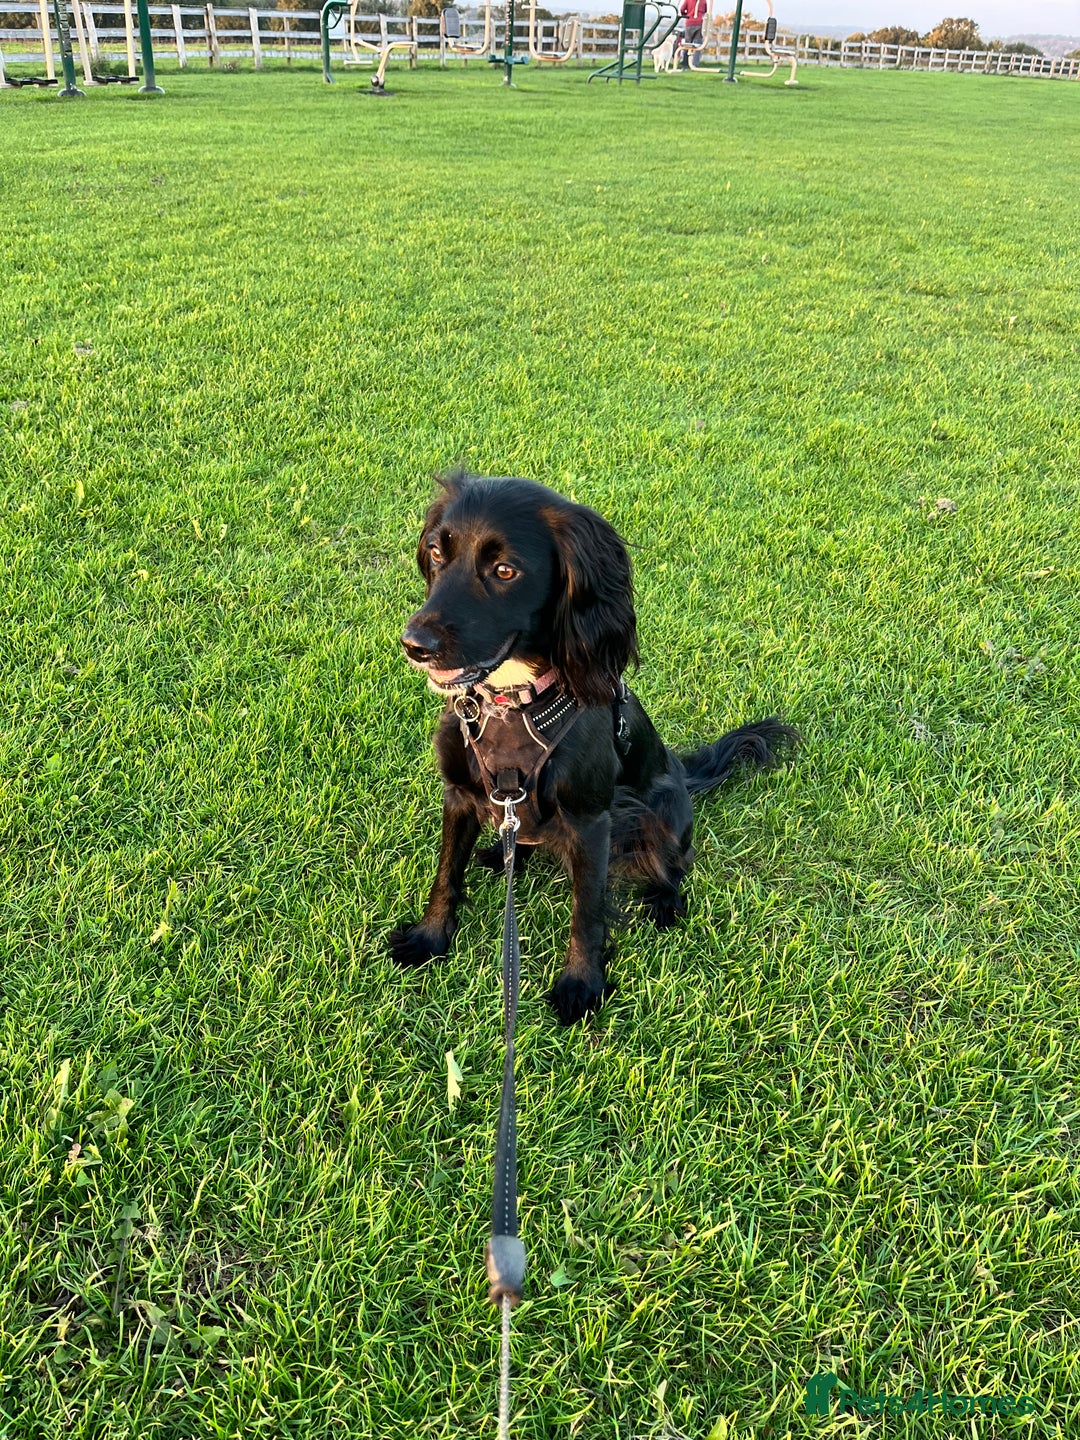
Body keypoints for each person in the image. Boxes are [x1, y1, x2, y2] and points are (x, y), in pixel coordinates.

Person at [678, 0, 708, 67]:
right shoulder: (703, 1)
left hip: (689, 23)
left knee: (687, 44)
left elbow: (682, 9)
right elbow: (705, 11)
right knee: (698, 45)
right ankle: (695, 64)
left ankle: (685, 64)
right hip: (699, 23)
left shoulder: (688, 0)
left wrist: (686, 15)